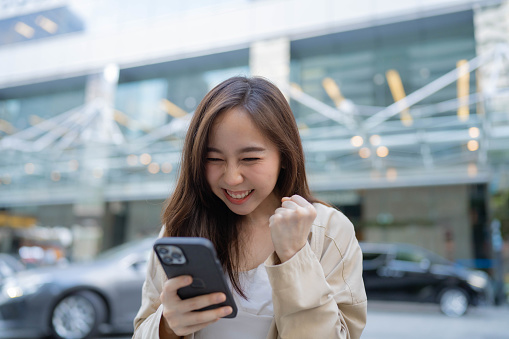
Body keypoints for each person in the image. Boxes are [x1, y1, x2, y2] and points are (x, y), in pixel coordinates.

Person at [133, 76, 367, 339]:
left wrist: (294, 255)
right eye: (213, 159)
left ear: (285, 155)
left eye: (250, 158)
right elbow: (142, 329)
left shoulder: (329, 231)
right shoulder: (182, 227)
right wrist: (167, 326)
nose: (232, 177)